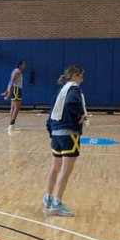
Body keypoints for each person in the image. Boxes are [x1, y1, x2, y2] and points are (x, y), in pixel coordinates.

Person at [44, 65, 87, 217]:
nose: (82, 80)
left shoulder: (60, 91)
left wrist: (51, 133)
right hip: (69, 133)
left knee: (55, 166)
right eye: (81, 77)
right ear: (75, 75)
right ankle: (57, 203)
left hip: (56, 132)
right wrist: (82, 114)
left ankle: (48, 198)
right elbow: (71, 103)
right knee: (66, 169)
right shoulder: (74, 89)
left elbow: (50, 115)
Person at [1, 60, 26, 133]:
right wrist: (8, 93)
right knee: (17, 108)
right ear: (20, 64)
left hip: (16, 90)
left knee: (13, 108)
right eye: (24, 64)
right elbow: (11, 82)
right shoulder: (17, 72)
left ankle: (12, 124)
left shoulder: (16, 71)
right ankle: (11, 125)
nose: (25, 65)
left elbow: (10, 82)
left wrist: (7, 91)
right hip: (16, 90)